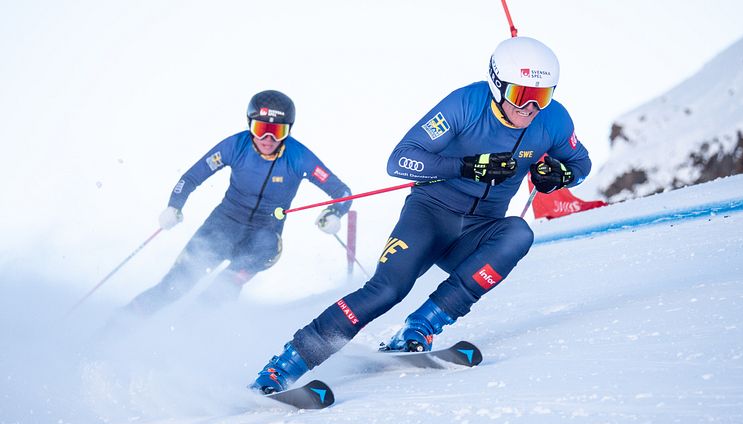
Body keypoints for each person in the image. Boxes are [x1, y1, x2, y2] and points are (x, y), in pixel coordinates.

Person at [251, 37, 592, 393]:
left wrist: (561, 174)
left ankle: (420, 327)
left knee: (519, 233)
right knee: (387, 290)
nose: (532, 107)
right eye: (521, 94)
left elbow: (580, 163)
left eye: (543, 95)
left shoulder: (554, 120)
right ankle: (282, 368)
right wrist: (466, 167)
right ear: (497, 83)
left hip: (479, 231)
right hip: (430, 217)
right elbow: (400, 160)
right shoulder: (464, 105)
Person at [124, 90, 352, 316]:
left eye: (277, 132)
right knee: (174, 286)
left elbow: (342, 191)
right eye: (261, 130)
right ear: (249, 125)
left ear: (288, 130)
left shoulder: (299, 156)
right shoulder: (235, 146)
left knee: (221, 290)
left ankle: (192, 333)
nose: (267, 139)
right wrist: (174, 206)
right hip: (223, 225)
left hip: (263, 236)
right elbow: (191, 178)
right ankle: (120, 324)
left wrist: (334, 212)